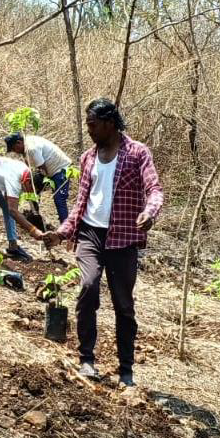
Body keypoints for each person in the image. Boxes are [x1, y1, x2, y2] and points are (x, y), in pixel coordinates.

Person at [43, 99, 163, 389]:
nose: (90, 130)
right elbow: (81, 203)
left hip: (123, 239)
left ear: (109, 123)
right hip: (90, 235)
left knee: (123, 305)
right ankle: (86, 359)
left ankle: (126, 370)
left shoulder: (137, 153)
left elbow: (155, 189)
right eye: (88, 125)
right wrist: (61, 233)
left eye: (93, 125)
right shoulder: (88, 158)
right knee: (88, 287)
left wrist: (149, 213)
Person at [5, 131, 73, 223]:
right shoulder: (26, 146)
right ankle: (35, 214)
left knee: (59, 199)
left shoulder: (31, 148)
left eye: (14, 149)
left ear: (19, 142)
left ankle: (65, 229)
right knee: (31, 187)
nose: (15, 152)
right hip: (48, 171)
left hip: (61, 170)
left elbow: (43, 168)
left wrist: (42, 183)